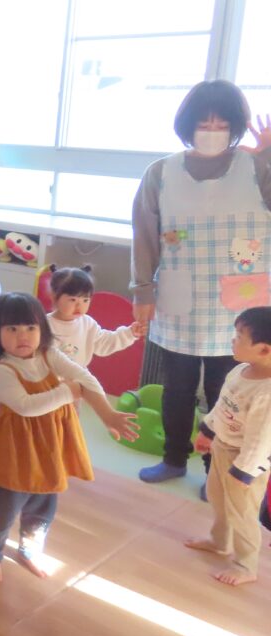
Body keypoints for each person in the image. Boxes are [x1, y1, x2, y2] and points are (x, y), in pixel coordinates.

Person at [131, 80, 271, 495]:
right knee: (177, 387)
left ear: (235, 127)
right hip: (180, 298)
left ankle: (216, 470)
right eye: (204, 123)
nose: (212, 131)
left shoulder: (256, 167)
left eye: (221, 124)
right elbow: (144, 237)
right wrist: (142, 291)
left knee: (227, 391)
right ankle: (174, 458)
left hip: (241, 306)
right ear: (188, 126)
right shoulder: (160, 173)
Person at [0, 293, 138, 583]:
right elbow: (26, 406)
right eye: (12, 328)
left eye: (30, 327)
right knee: (3, 507)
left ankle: (30, 549)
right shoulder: (2, 369)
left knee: (43, 505)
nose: (23, 336)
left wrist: (107, 415)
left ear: (42, 328)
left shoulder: (48, 354)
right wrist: (67, 392)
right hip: (16, 447)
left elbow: (85, 378)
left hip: (50, 443)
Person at [185, 307, 271, 586]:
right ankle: (219, 541)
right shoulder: (239, 371)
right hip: (223, 446)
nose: (233, 340)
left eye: (240, 336)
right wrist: (208, 430)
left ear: (264, 350)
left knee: (242, 512)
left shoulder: (267, 393)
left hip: (245, 462)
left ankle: (246, 565)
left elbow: (261, 439)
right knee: (217, 497)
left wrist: (243, 472)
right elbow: (223, 406)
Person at [46, 265, 142, 366]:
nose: (79, 306)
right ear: (54, 296)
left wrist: (130, 333)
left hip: (78, 374)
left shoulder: (87, 324)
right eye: (73, 300)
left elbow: (105, 343)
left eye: (85, 300)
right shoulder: (44, 325)